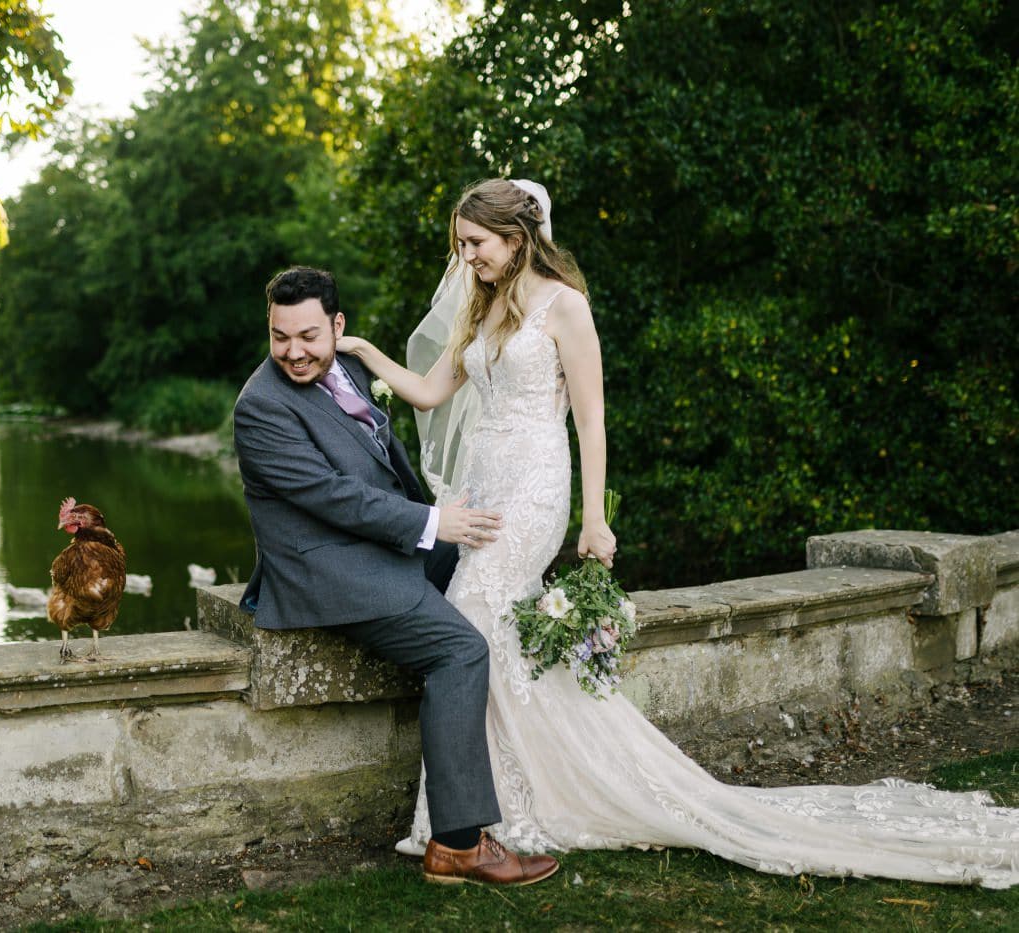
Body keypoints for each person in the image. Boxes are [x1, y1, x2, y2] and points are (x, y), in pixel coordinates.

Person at [335, 177, 1019, 888]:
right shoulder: (481, 305)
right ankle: (490, 811)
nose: (465, 256)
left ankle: (471, 822)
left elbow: (591, 419)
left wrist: (594, 517)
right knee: (488, 635)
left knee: (471, 624)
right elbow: (430, 390)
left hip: (535, 488)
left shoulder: (566, 307)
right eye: (462, 245)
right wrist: (364, 351)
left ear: (516, 239)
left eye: (474, 243)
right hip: (484, 488)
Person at [231, 266, 560, 886]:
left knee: (496, 573)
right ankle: (458, 845)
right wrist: (434, 522)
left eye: (307, 335)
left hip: (384, 543)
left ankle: (536, 773)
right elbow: (333, 498)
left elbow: (383, 461)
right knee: (461, 651)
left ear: (337, 325)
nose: (294, 352)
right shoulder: (261, 409)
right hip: (333, 568)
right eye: (280, 338)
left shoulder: (348, 368)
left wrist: (441, 523)